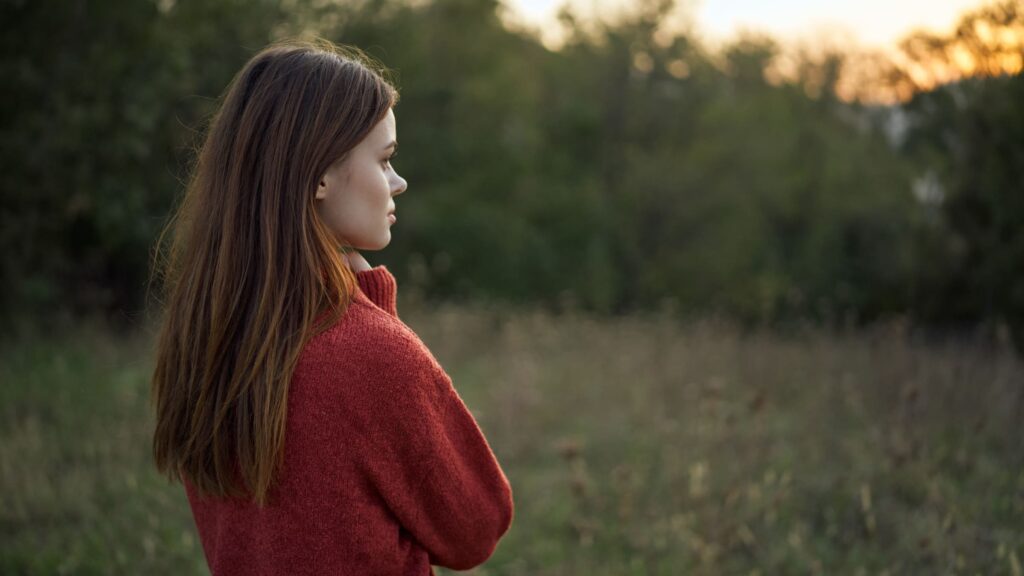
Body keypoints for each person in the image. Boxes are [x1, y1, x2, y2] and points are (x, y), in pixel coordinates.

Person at [148, 38, 514, 575]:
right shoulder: (370, 355)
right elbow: (477, 526)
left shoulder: (211, 334)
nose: (399, 182)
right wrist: (375, 318)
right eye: (385, 160)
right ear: (319, 175)